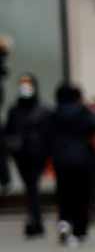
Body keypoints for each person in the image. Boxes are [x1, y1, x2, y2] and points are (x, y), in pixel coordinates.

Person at [46, 83, 95, 246]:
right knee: (81, 195)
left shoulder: (54, 113)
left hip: (61, 160)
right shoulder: (83, 112)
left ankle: (64, 222)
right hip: (82, 159)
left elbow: (47, 134)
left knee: (64, 194)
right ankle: (79, 228)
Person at [5, 73, 50, 238]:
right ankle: (34, 220)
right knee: (31, 187)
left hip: (37, 154)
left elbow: (48, 133)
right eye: (22, 83)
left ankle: (34, 221)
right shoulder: (15, 109)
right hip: (20, 155)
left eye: (27, 83)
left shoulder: (42, 109)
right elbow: (8, 131)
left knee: (32, 186)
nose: (25, 86)